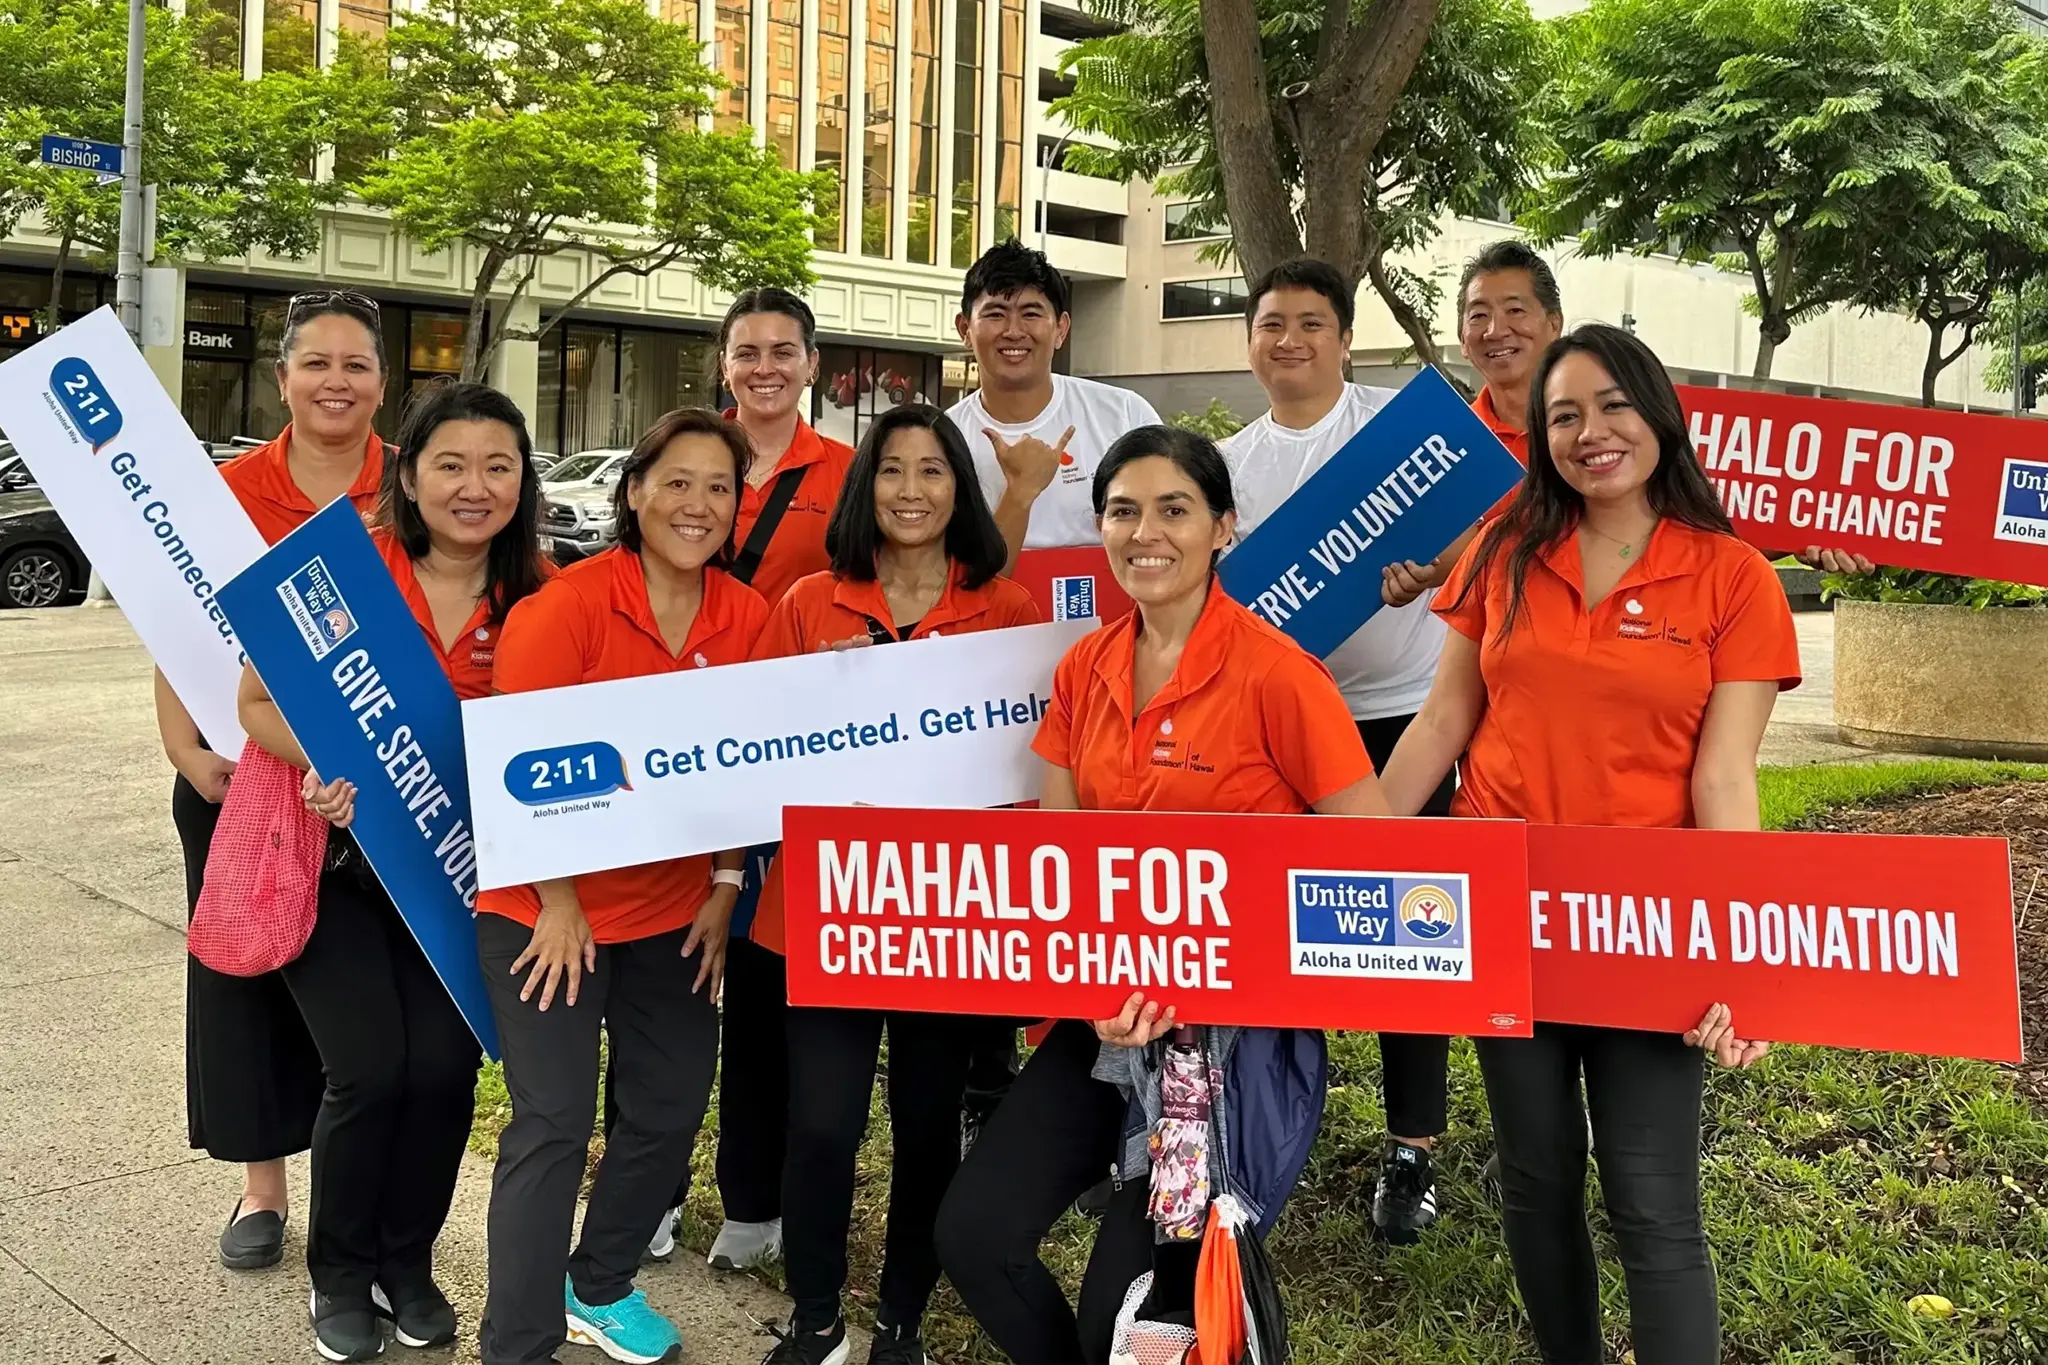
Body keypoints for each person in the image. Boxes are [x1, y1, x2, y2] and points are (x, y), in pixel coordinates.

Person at [1380, 324, 1797, 1364]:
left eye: (1611, 405)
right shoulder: (1503, 548)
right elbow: (1442, 723)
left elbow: (1723, 777)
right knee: (1535, 1176)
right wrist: (1341, 850)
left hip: (1644, 922)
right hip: (1501, 904)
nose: (1588, 432)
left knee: (1652, 1202)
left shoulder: (1732, 577)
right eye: (1561, 414)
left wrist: (1738, 954)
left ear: (1656, 414)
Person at [935, 426, 1390, 1365]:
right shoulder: (1084, 667)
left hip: (1217, 1059)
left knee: (1137, 1317)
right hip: (1102, 1021)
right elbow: (1060, 859)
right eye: (1123, 510)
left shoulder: (1278, 675)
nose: (1147, 531)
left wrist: (1238, 949)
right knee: (974, 1235)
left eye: (1174, 508)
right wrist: (1093, 987)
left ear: (1223, 527)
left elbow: (1369, 857)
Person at [234, 380, 550, 1361]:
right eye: (450, 464)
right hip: (340, 867)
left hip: (464, 880)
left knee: (446, 1071)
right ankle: (340, 1274)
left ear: (521, 483)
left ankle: (404, 1264)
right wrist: (321, 760)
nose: (474, 486)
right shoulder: (342, 572)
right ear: (406, 474)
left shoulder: (543, 592)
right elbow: (255, 703)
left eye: (497, 466)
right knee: (369, 1070)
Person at [750, 404, 1041, 1365]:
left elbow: (1030, 770)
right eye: (890, 471)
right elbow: (751, 756)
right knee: (822, 1124)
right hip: (827, 906)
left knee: (927, 1126)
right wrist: (822, 706)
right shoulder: (806, 603)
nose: (911, 491)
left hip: (949, 913)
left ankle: (902, 1315)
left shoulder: (1004, 608)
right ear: (862, 485)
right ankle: (816, 1309)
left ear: (961, 488)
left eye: (932, 471)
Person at [476, 408, 763, 1365]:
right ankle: (516, 1342)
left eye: (717, 487)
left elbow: (748, 765)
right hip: (542, 909)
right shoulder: (563, 606)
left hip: (675, 911)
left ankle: (594, 1285)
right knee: (553, 1122)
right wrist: (559, 900)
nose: (697, 504)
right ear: (633, 491)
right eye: (675, 481)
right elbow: (518, 768)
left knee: (672, 1107)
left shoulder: (747, 616)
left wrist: (727, 881)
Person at [1217, 257, 1457, 1245]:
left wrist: (1429, 569)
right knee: (1280, 938)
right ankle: (1265, 1129)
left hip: (1403, 714)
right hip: (1281, 731)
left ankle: (1412, 1150)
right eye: (1271, 324)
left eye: (1309, 324)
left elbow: (1474, 542)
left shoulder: (1403, 437)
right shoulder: (1227, 462)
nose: (1289, 341)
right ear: (1251, 340)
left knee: (1412, 940)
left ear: (1344, 338)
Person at [625, 288, 858, 1272]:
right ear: (723, 363)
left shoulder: (847, 474)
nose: (763, 366)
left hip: (793, 757)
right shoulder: (687, 456)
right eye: (745, 351)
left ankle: (752, 1202)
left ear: (812, 364)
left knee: (763, 986)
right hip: (676, 751)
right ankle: (648, 1190)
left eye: (782, 350)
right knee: (659, 977)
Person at [156, 289, 387, 1274]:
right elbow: (175, 634)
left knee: (359, 1001)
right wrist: (182, 751)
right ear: (283, 376)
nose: (337, 381)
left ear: (383, 383)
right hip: (237, 782)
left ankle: (360, 1188)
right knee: (242, 973)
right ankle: (261, 1189)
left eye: (358, 364)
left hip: (369, 789)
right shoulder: (228, 492)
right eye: (318, 363)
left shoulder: (411, 487)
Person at [943, 238, 1160, 1152]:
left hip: (1118, 697)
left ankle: (1131, 1087)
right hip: (982, 705)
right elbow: (956, 580)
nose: (1014, 328)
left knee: (1108, 876)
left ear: (1063, 327)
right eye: (994, 311)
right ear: (966, 328)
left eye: (1033, 310)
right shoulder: (942, 441)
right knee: (1003, 884)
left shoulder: (1120, 415)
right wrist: (1020, 497)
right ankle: (993, 1085)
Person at [1383, 240, 1871, 612]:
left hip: (1643, 648)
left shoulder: (1636, 428)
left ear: (1554, 324)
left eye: (1515, 310)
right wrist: (1416, 578)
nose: (1496, 330)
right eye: (1479, 316)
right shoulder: (1439, 451)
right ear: (1462, 340)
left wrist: (1801, 534)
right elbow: (1443, 564)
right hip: (1501, 674)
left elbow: (1700, 524)